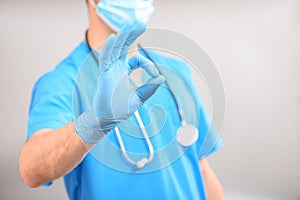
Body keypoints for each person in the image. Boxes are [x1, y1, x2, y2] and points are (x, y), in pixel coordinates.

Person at [18, 0, 225, 199]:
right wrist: (94, 124)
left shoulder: (176, 72)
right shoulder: (62, 82)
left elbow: (201, 171)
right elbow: (31, 170)